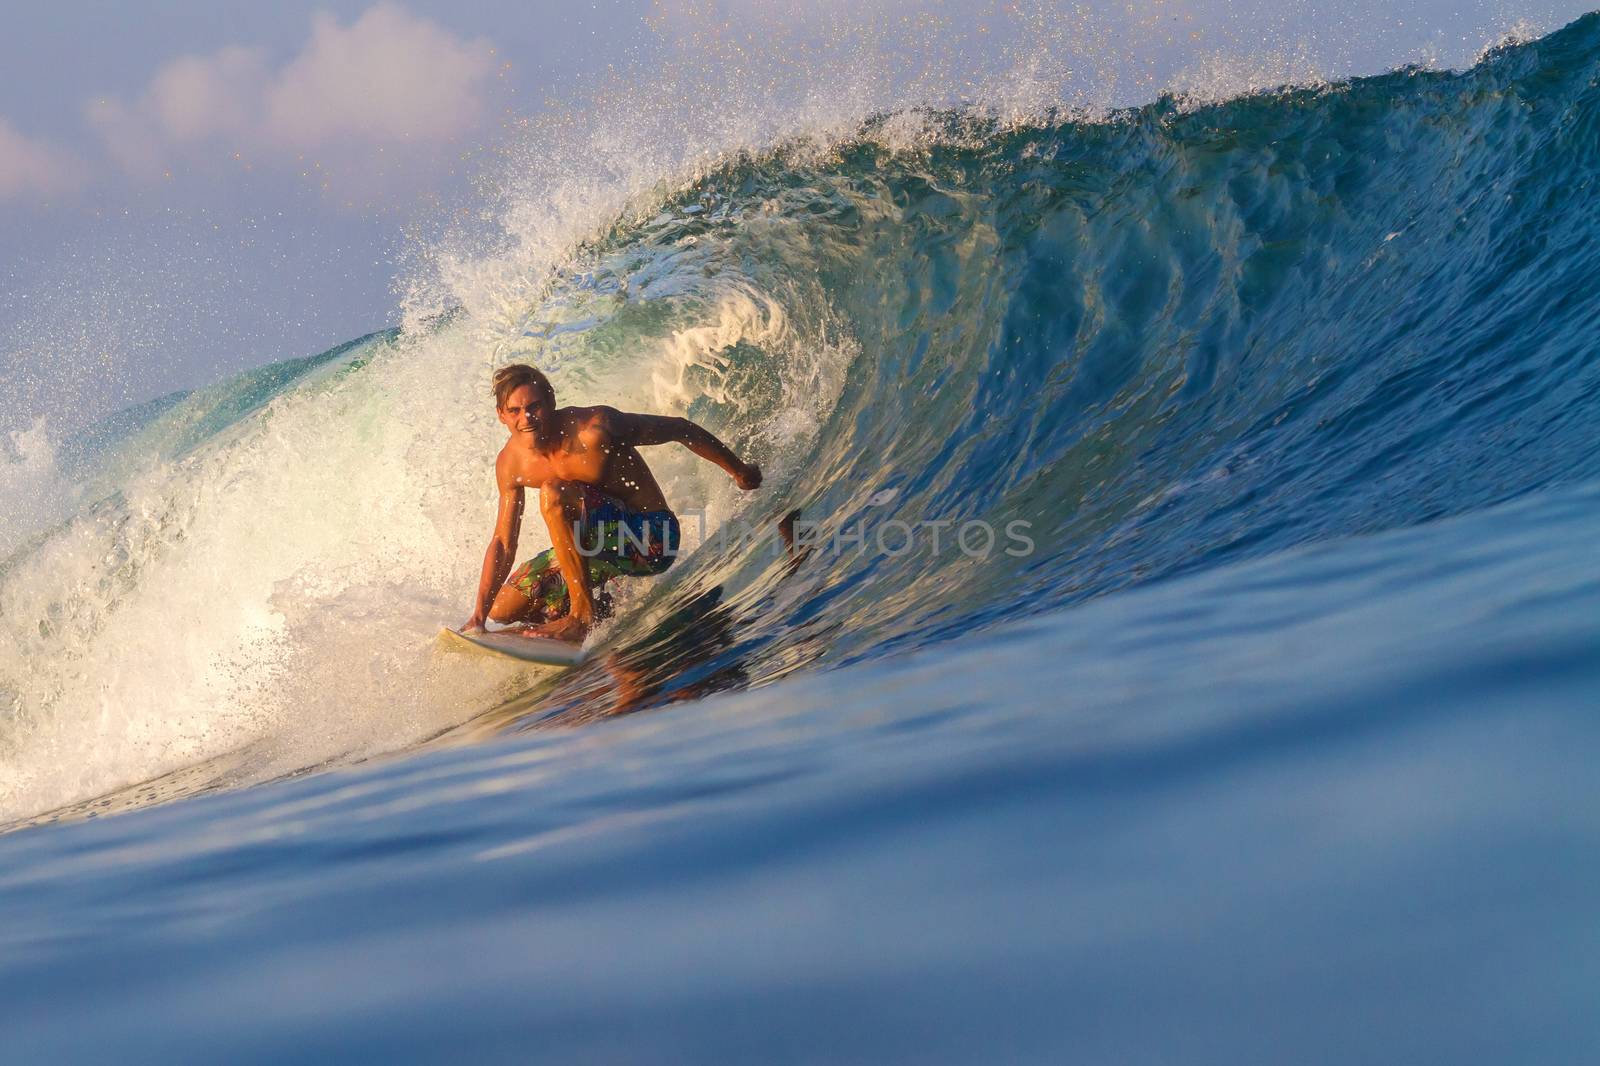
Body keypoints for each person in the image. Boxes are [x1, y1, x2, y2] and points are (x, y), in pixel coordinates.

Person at [462, 363, 762, 643]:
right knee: (501, 609)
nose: (525, 418)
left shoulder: (596, 428)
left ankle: (581, 617)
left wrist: (741, 472)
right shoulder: (510, 464)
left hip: (651, 540)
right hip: (598, 554)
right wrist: (478, 615)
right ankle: (590, 610)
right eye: (514, 411)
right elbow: (503, 542)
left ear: (550, 401)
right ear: (501, 414)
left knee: (553, 492)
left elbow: (680, 428)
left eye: (533, 407)